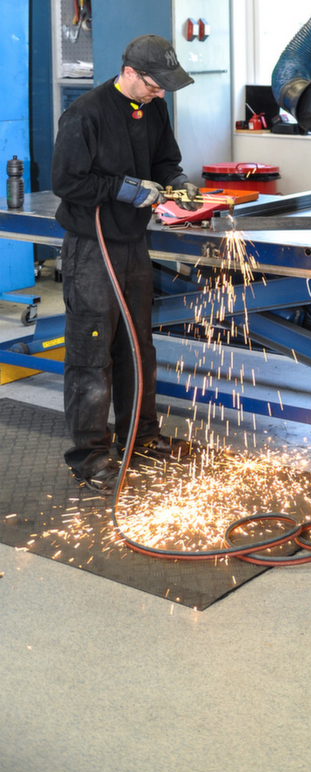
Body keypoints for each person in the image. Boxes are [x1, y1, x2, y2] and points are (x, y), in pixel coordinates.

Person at [51, 35, 201, 494]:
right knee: (92, 354)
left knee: (137, 348)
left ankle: (140, 439)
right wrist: (122, 189)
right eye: (155, 85)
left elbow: (164, 158)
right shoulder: (86, 114)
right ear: (130, 73)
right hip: (92, 247)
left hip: (132, 243)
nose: (161, 94)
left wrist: (176, 180)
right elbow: (65, 181)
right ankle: (90, 455)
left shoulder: (153, 106)